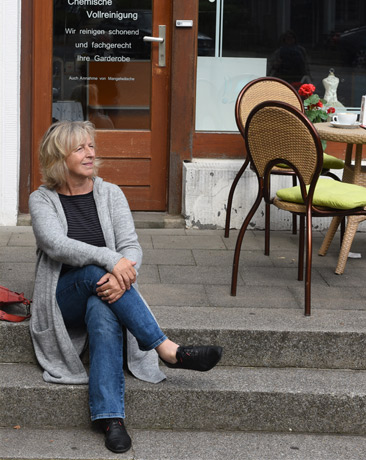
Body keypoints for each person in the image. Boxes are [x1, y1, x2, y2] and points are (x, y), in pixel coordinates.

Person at [29, 120, 223, 454]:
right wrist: (111, 262)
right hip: (61, 299)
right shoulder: (42, 199)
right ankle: (166, 349)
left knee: (102, 310)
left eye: (91, 145)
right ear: (59, 157)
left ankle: (111, 419)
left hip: (103, 291)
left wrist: (122, 275)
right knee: (92, 270)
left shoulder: (110, 193)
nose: (90, 153)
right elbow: (55, 245)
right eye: (80, 148)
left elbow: (131, 247)